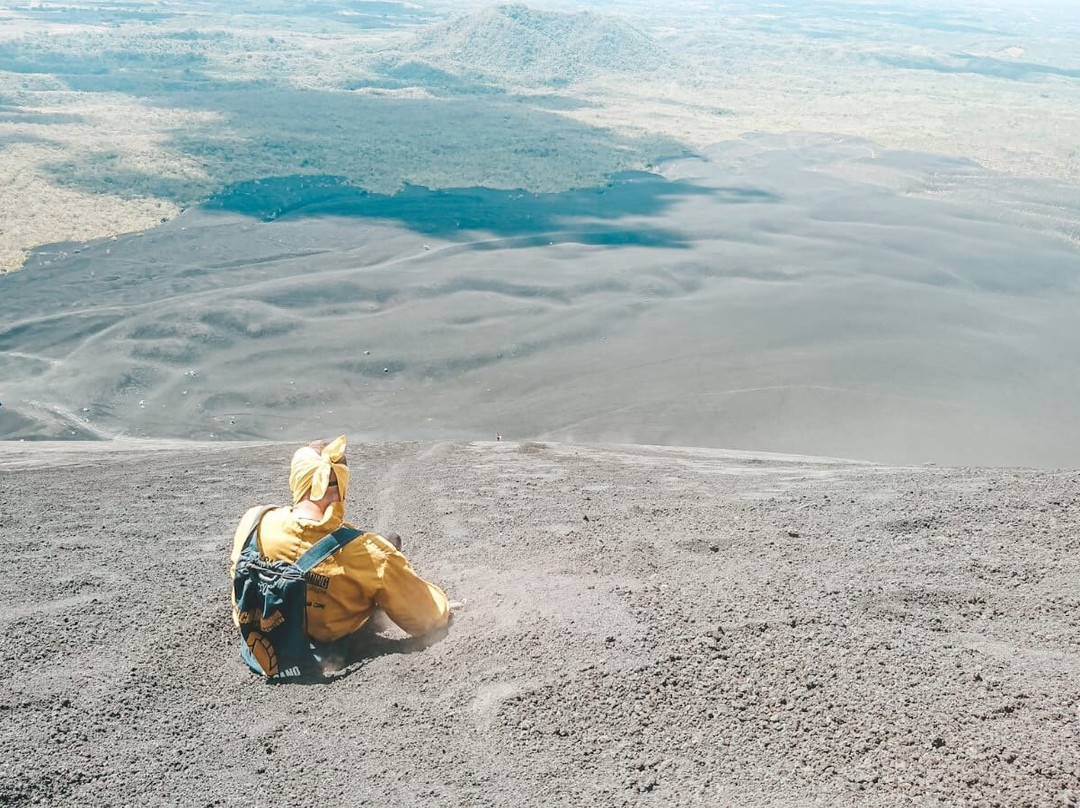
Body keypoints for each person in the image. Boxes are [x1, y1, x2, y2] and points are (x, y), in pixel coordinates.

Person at [229, 435, 451, 646]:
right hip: (328, 643)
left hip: (262, 635)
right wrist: (440, 603)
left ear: (297, 479)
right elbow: (427, 620)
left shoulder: (254, 521)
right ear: (343, 483)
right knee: (382, 560)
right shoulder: (371, 554)